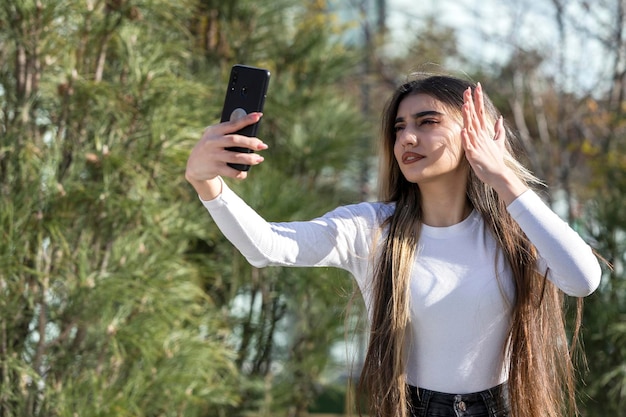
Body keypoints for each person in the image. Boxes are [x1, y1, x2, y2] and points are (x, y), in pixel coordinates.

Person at [185, 73, 602, 417]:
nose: (407, 137)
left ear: (479, 135)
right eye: (400, 126)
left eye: (427, 121)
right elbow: (268, 246)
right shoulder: (371, 229)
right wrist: (207, 184)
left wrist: (505, 180)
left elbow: (582, 279)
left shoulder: (516, 231)